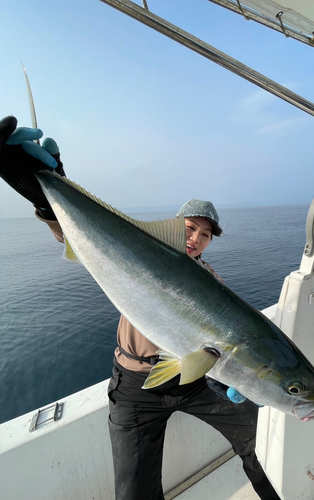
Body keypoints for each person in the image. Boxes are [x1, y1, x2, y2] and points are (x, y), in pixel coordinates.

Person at [0, 116, 281, 500]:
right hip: (136, 386)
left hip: (192, 383)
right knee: (133, 491)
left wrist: (220, 377)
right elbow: (82, 237)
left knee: (256, 428)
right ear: (175, 224)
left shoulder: (212, 282)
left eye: (205, 234)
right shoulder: (137, 253)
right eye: (190, 227)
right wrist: (47, 195)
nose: (196, 238)